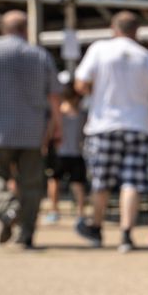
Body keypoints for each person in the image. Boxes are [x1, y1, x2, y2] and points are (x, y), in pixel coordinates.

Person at [0, 9, 61, 249]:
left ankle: (8, 208)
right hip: (32, 130)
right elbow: (54, 96)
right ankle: (26, 234)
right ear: (25, 29)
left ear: (3, 29)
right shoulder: (40, 55)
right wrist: (55, 127)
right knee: (32, 184)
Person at [73, 11, 148, 254]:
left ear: (114, 28)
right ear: (137, 31)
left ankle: (97, 226)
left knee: (102, 181)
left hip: (104, 125)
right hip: (138, 125)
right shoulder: (146, 57)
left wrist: (97, 91)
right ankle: (126, 234)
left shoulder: (99, 49)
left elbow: (80, 84)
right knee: (131, 181)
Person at [43, 73, 88, 224]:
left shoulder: (58, 113)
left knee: (54, 181)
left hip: (59, 153)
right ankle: (81, 213)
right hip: (77, 153)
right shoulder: (82, 114)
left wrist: (45, 144)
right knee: (78, 184)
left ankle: (54, 210)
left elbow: (50, 131)